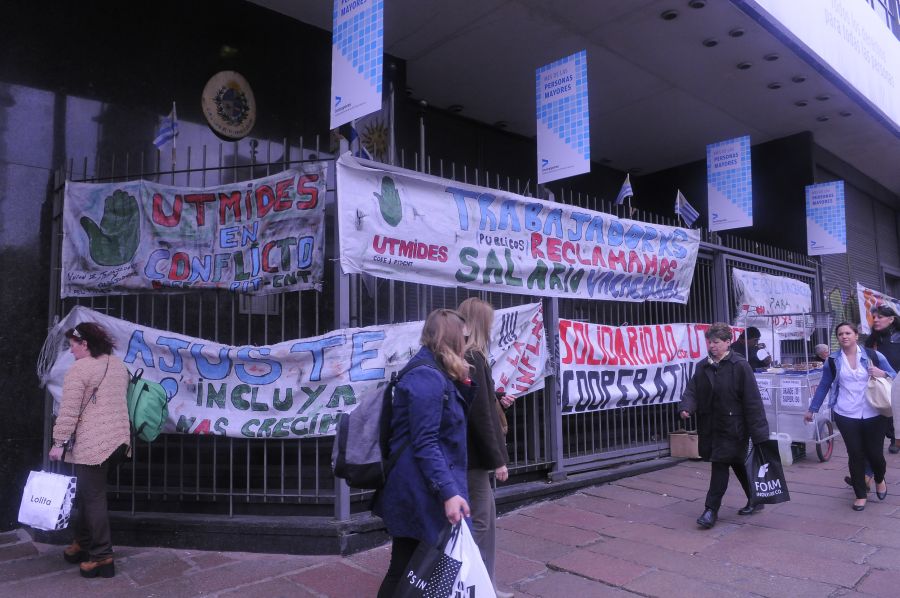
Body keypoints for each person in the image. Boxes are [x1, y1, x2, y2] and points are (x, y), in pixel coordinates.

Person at [374, 308, 474, 598]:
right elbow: (426, 442)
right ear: (452, 337)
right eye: (464, 338)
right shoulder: (427, 378)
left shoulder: (435, 372)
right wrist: (449, 493)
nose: (467, 344)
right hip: (421, 490)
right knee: (408, 567)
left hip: (422, 486)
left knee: (415, 565)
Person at [49, 322, 131, 578]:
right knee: (88, 493)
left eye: (73, 346)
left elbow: (69, 411)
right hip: (119, 441)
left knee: (93, 497)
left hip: (95, 445)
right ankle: (82, 543)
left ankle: (102, 556)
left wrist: (58, 443)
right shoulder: (117, 365)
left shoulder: (80, 369)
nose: (71, 351)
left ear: (84, 344)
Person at [679, 322, 770, 529]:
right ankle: (756, 499)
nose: (712, 346)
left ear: (728, 342)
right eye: (709, 342)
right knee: (736, 463)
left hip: (734, 427)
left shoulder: (740, 365)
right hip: (711, 425)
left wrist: (759, 434)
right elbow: (692, 390)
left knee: (719, 465)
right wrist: (686, 407)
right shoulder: (703, 366)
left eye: (716, 342)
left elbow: (752, 401)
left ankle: (710, 510)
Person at [806, 322, 895, 510]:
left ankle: (879, 478)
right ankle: (860, 494)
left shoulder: (873, 355)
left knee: (875, 454)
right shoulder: (832, 360)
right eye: (840, 334)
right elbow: (824, 385)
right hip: (845, 413)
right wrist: (812, 409)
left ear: (856, 335)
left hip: (874, 412)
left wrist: (883, 373)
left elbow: (895, 376)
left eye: (848, 333)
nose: (844, 336)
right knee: (855, 454)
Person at [458, 297, 511, 598]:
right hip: (475, 458)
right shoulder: (474, 358)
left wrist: (497, 396)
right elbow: (480, 416)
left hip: (471, 456)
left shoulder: (466, 356)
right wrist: (497, 459)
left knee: (486, 521)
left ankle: (485, 586)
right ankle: (469, 586)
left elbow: (481, 406)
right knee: (481, 523)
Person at [865, 305, 900, 454]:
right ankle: (891, 437)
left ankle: (895, 439)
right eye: (874, 317)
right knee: (884, 407)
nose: (876, 320)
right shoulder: (873, 338)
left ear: (891, 319)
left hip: (897, 378)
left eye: (880, 317)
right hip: (880, 379)